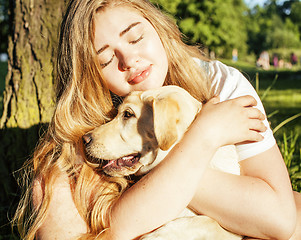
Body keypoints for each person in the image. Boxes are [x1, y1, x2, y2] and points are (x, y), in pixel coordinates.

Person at [13, 0, 301, 239]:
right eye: (105, 60)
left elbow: (279, 218)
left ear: (158, 28)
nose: (129, 60)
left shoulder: (218, 85)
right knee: (47, 183)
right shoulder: (86, 130)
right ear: (88, 72)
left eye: (136, 38)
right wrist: (202, 137)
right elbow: (118, 229)